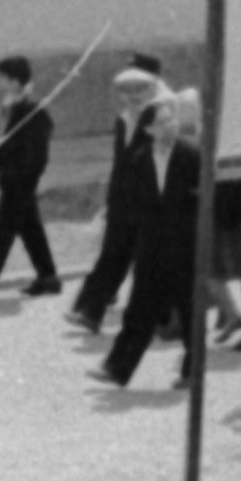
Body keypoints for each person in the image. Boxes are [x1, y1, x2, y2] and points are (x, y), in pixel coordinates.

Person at [99, 91, 206, 391]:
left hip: (184, 247)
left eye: (171, 119)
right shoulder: (138, 161)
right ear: (149, 129)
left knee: (189, 311)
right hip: (151, 248)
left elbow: (205, 199)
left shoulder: (192, 154)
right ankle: (118, 369)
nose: (170, 125)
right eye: (162, 122)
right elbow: (134, 204)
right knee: (138, 309)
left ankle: (192, 373)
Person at [71, 64, 164, 331]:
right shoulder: (124, 119)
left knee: (149, 261)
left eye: (140, 90)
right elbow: (121, 163)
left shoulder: (159, 118)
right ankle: (92, 312)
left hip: (149, 199)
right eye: (127, 91)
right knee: (114, 255)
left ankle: (162, 319)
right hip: (124, 199)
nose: (134, 96)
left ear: (151, 91)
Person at [0, 54, 63, 301]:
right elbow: (8, 140)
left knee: (4, 231)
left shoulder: (33, 109)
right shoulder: (14, 104)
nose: (1, 83)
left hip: (20, 181)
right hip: (14, 179)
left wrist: (17, 173)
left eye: (4, 78)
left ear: (14, 80)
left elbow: (36, 151)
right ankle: (49, 277)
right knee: (30, 228)